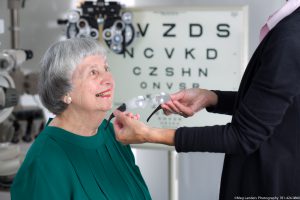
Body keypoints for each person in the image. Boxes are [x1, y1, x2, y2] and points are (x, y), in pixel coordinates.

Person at [112, 0, 300, 199]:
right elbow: (277, 105)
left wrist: (149, 134)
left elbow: (244, 136)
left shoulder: (291, 37)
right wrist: (212, 98)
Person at [10, 38, 151, 200]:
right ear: (64, 91)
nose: (108, 80)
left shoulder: (114, 136)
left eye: (106, 68)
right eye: (93, 72)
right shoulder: (44, 162)